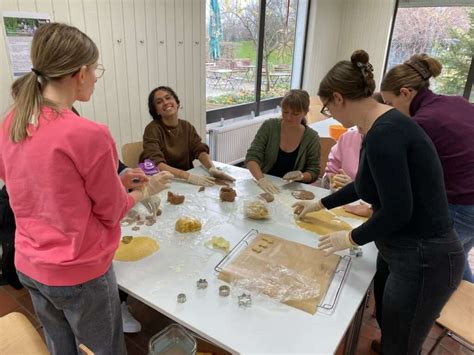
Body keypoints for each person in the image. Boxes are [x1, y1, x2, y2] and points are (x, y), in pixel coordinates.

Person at [0, 23, 172, 355]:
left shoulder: (13, 120)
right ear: (80, 73)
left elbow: (38, 187)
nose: (95, 77)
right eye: (96, 70)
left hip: (30, 265)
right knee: (103, 349)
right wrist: (145, 192)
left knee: (60, 344)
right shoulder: (87, 133)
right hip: (78, 272)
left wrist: (117, 181)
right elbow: (111, 213)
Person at [293, 50, 464, 355]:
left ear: (338, 98)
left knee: (401, 345)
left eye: (329, 109)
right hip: (401, 249)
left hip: (424, 256)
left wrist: (350, 237)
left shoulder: (387, 134)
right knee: (389, 322)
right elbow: (365, 185)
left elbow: (399, 210)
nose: (334, 117)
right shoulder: (380, 127)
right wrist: (321, 204)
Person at [381, 54, 474, 283]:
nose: (390, 111)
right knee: (457, 259)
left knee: (434, 268)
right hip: (468, 196)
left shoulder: (422, 122)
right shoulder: (456, 101)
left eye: (391, 104)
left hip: (463, 202)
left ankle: (441, 314)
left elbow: (408, 181)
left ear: (405, 93)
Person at [140, 86, 234, 186]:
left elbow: (199, 150)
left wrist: (212, 168)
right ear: (156, 111)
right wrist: (188, 176)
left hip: (184, 179)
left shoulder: (186, 126)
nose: (166, 102)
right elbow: (157, 164)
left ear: (177, 103)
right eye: (159, 102)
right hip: (163, 181)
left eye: (168, 98)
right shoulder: (152, 129)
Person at [245, 89, 321, 194]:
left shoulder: (312, 137)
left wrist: (301, 176)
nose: (288, 117)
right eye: (285, 112)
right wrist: (261, 179)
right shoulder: (269, 126)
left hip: (292, 190)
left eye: (295, 114)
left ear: (305, 112)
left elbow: (314, 171)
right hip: (264, 183)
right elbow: (252, 157)